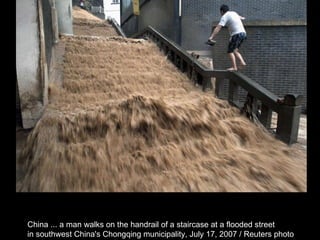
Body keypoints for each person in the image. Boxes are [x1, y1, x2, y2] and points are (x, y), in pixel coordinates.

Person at [208, 4, 247, 71]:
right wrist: (242, 17)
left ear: (222, 11)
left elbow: (218, 28)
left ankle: (234, 67)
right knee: (235, 50)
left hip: (236, 34)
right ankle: (242, 62)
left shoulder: (224, 16)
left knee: (230, 51)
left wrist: (211, 37)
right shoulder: (234, 13)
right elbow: (239, 17)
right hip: (243, 34)